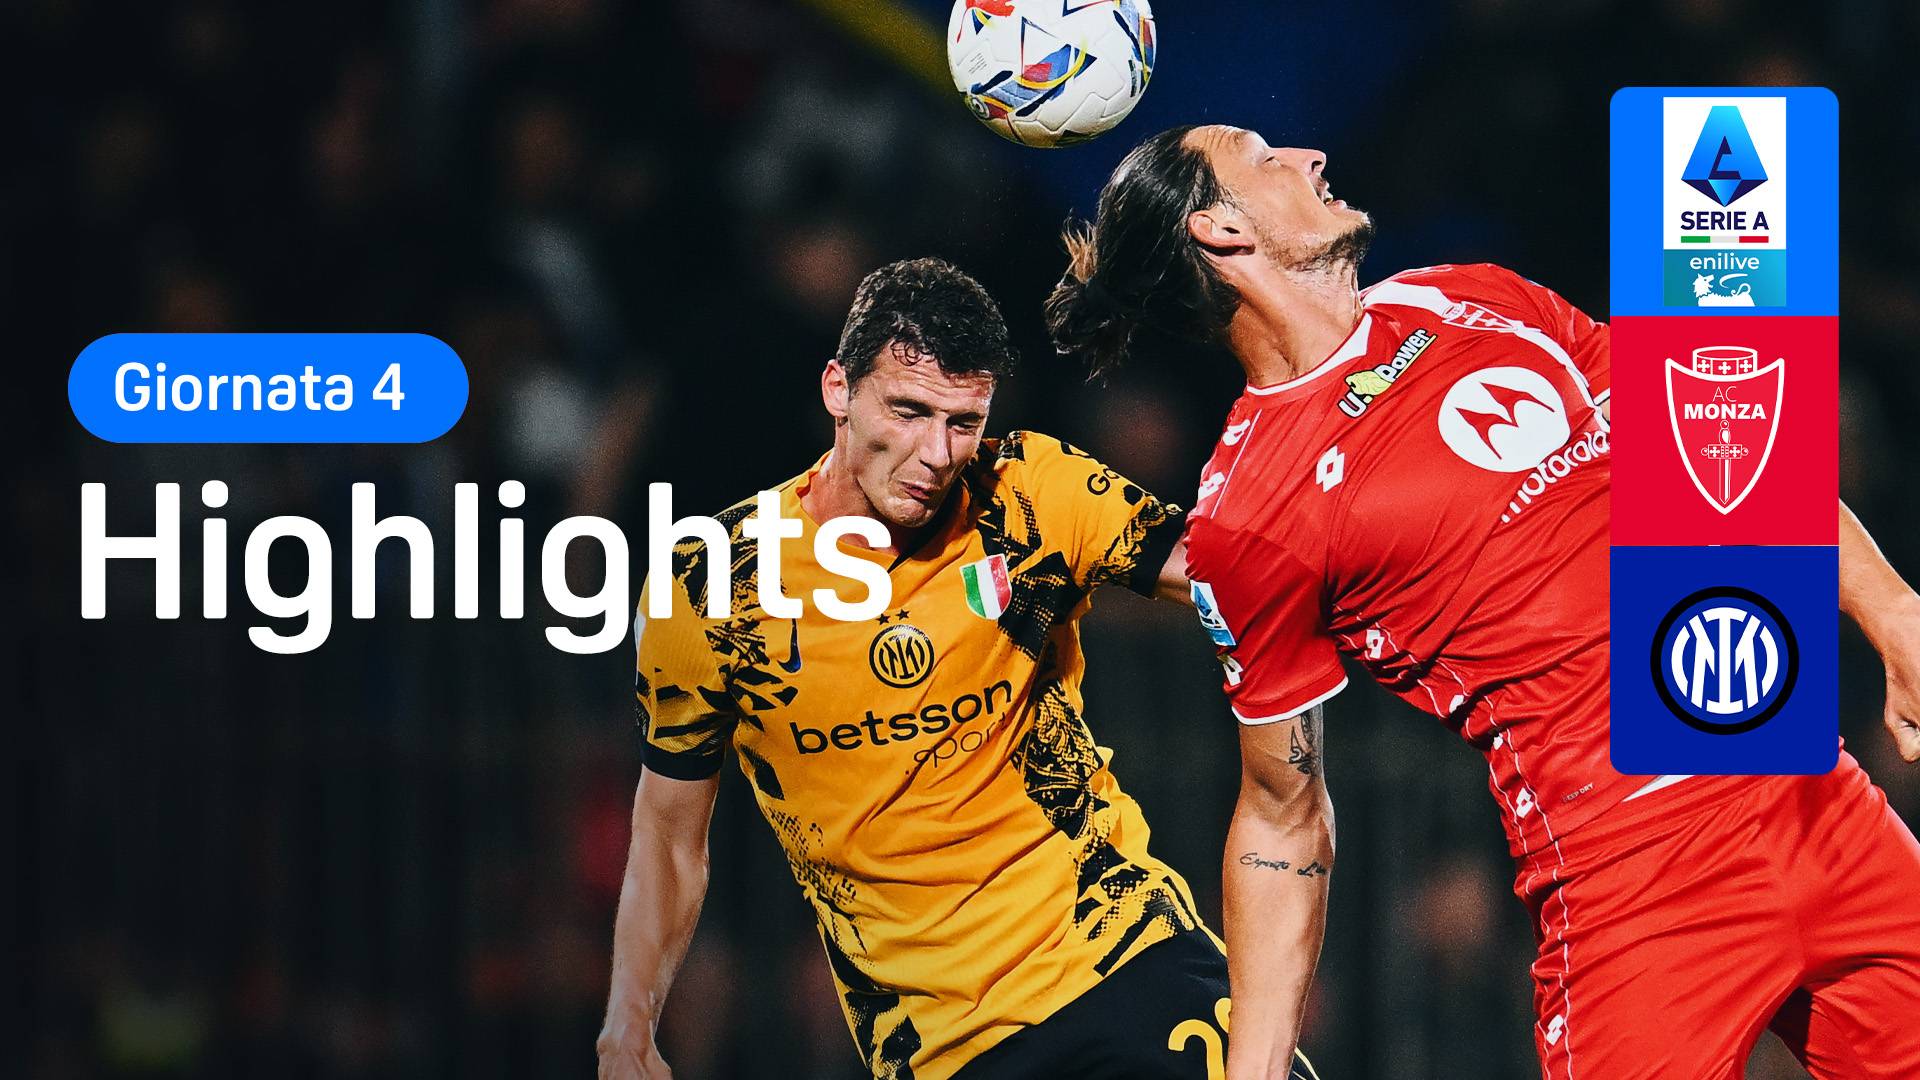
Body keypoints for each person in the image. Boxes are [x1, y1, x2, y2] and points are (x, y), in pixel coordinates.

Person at [1044, 124, 1920, 1080]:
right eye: (1266, 158)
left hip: (1814, 796)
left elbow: (1716, 451)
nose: (1311, 158)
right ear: (1219, 230)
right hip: (1634, 873)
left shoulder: (1467, 295)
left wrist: (1891, 611)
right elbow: (1280, 813)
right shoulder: (1249, 513)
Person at [598, 257, 1321, 1080]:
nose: (935, 454)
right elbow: (669, 833)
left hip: (1124, 955)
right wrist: (630, 1026)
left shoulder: (1028, 493)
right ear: (838, 390)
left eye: (963, 421)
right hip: (938, 1044)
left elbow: (1238, 572)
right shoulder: (712, 587)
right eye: (908, 412)